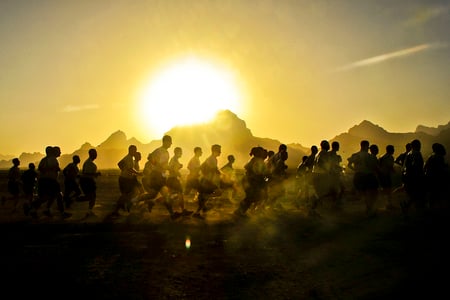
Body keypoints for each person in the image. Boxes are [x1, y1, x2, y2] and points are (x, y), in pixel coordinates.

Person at [142, 135, 181, 220]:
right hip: (156, 175)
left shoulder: (167, 153)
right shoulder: (158, 150)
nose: (171, 144)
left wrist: (170, 168)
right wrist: (158, 165)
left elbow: (164, 165)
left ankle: (147, 202)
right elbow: (149, 157)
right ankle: (172, 215)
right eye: (170, 142)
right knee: (166, 194)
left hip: (161, 175)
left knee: (153, 194)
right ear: (165, 142)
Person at [30, 146, 71, 219]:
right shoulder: (52, 159)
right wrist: (54, 169)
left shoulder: (44, 159)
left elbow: (40, 168)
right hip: (50, 180)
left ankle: (36, 209)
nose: (60, 152)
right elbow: (50, 169)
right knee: (58, 195)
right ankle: (62, 213)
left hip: (44, 180)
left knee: (48, 197)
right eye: (59, 151)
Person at [234, 146, 269, 217]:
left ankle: (241, 211)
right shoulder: (257, 161)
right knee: (250, 198)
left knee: (252, 198)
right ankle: (239, 212)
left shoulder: (254, 160)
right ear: (258, 153)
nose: (263, 153)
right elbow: (257, 173)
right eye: (261, 152)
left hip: (250, 182)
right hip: (251, 182)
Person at [347, 140, 379, 217]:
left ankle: (368, 208)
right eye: (367, 146)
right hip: (368, 176)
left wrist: (356, 170)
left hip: (358, 175)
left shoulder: (355, 155)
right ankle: (369, 208)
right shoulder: (369, 156)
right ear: (365, 146)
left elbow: (349, 165)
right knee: (372, 193)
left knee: (364, 193)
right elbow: (374, 167)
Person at [193, 144, 222, 219]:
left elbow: (215, 170)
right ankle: (198, 211)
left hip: (208, 180)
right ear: (214, 151)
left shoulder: (213, 159)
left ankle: (202, 208)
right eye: (219, 150)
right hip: (207, 181)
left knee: (205, 196)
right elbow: (214, 169)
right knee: (217, 192)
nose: (220, 152)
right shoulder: (211, 159)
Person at [111, 145, 140, 216]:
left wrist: (124, 169)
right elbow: (130, 169)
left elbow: (119, 163)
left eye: (135, 150)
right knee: (125, 195)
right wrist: (137, 173)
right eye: (134, 150)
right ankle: (116, 210)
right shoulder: (129, 158)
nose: (135, 152)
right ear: (130, 150)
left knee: (127, 195)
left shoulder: (128, 158)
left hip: (126, 179)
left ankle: (120, 208)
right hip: (124, 179)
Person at [400, 139, 426, 217]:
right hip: (416, 177)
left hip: (409, 177)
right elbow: (417, 166)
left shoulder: (409, 154)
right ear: (417, 146)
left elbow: (405, 166)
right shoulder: (417, 154)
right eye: (419, 145)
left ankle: (407, 206)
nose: (420, 146)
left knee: (414, 195)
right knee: (417, 194)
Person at [167, 147, 192, 216]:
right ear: (177, 152)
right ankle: (182, 210)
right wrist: (180, 175)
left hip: (172, 179)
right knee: (179, 193)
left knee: (174, 194)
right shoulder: (174, 160)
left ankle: (177, 210)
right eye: (180, 152)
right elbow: (173, 169)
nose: (181, 154)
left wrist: (179, 167)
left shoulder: (174, 160)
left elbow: (173, 169)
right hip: (173, 179)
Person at [424, 143, 449, 210]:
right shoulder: (439, 157)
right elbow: (440, 169)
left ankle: (431, 208)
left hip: (430, 177)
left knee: (432, 195)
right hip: (436, 178)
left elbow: (425, 167)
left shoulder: (431, 156)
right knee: (437, 194)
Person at [79, 148, 101, 217]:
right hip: (87, 181)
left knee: (92, 197)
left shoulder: (89, 162)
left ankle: (89, 211)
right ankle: (73, 199)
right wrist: (95, 174)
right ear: (92, 154)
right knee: (90, 197)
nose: (96, 155)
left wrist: (95, 175)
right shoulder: (89, 163)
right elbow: (86, 174)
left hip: (88, 181)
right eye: (95, 153)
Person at [378, 145, 395, 210]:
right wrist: (394, 172)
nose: (394, 150)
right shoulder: (390, 157)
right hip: (386, 175)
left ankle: (386, 204)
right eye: (393, 149)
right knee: (388, 190)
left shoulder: (382, 156)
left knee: (385, 190)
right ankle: (389, 204)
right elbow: (390, 166)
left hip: (381, 175)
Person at [328, 141, 345, 209]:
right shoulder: (331, 155)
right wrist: (339, 168)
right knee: (337, 190)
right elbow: (331, 165)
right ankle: (335, 204)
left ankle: (335, 204)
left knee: (339, 189)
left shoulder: (336, 155)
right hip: (332, 175)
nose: (338, 147)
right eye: (338, 146)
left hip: (336, 175)